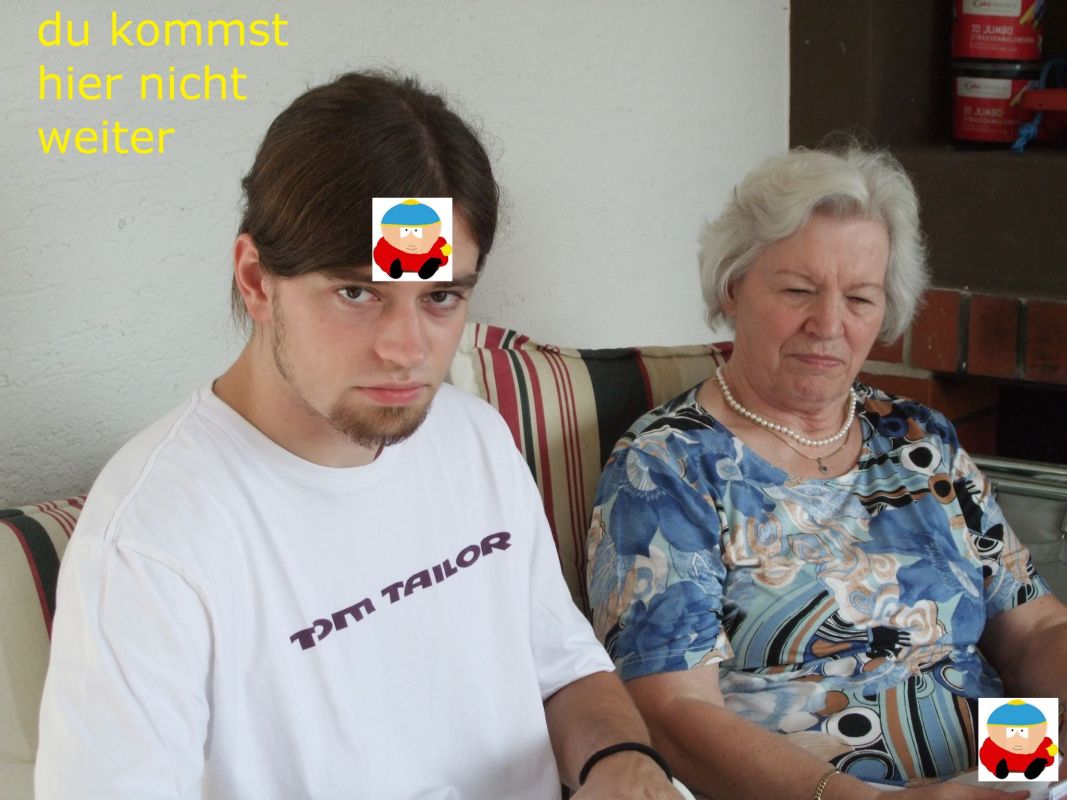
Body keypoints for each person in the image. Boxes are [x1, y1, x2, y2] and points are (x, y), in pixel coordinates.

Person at [35, 71, 682, 800]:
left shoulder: (472, 438)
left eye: (439, 296)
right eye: (358, 292)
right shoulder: (151, 541)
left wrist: (622, 763)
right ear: (256, 280)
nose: (406, 350)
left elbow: (561, 666)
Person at [586, 144, 1067, 800]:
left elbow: (1037, 627)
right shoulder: (666, 467)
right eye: (798, 291)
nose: (829, 324)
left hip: (1006, 769)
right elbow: (670, 711)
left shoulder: (918, 438)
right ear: (732, 287)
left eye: (861, 298)